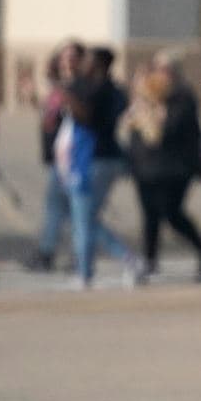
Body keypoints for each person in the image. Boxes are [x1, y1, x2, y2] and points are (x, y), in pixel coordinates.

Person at [61, 47, 143, 288]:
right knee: (86, 218)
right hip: (105, 159)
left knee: (83, 218)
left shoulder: (100, 90)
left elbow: (87, 117)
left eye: (86, 60)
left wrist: (69, 98)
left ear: (97, 64)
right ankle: (117, 262)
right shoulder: (110, 89)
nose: (82, 64)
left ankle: (88, 271)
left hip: (92, 160)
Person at [123, 50, 201, 277]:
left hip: (175, 168)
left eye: (165, 70)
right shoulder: (145, 98)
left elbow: (170, 130)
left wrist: (156, 112)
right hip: (146, 167)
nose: (159, 75)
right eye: (157, 69)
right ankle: (150, 259)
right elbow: (133, 130)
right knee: (150, 215)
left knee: (172, 212)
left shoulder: (182, 97)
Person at [24, 41, 82, 272]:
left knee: (62, 208)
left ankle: (55, 253)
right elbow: (48, 113)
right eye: (64, 57)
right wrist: (31, 97)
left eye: (73, 57)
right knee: (61, 209)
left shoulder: (77, 87)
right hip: (56, 155)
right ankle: (60, 252)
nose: (67, 61)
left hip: (70, 156)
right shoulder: (57, 88)